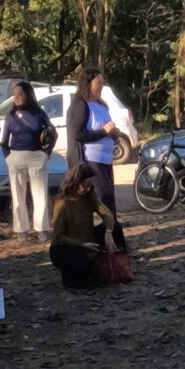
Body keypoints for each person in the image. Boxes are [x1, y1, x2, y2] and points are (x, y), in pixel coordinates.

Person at [50, 161, 128, 289]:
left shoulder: (89, 197)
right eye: (84, 185)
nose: (87, 189)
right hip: (67, 246)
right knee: (81, 279)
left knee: (116, 228)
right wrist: (82, 244)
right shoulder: (62, 204)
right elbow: (58, 237)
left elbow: (107, 214)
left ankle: (120, 261)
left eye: (90, 185)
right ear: (75, 182)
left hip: (88, 240)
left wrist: (108, 232)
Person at [0, 80, 56, 239]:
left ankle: (41, 229)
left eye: (20, 94)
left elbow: (53, 134)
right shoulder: (10, 116)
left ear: (28, 95)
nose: (17, 97)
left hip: (36, 156)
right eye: (14, 94)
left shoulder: (38, 114)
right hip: (16, 157)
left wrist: (46, 154)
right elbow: (5, 141)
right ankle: (21, 230)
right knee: (18, 196)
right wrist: (8, 158)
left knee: (40, 195)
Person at [71, 70, 124, 215]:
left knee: (107, 197)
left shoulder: (102, 105)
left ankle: (103, 232)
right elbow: (78, 134)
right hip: (92, 160)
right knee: (106, 199)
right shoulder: (81, 105)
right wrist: (104, 132)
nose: (101, 86)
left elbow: (105, 128)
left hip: (106, 159)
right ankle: (114, 232)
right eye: (98, 82)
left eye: (102, 82)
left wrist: (113, 134)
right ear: (88, 84)